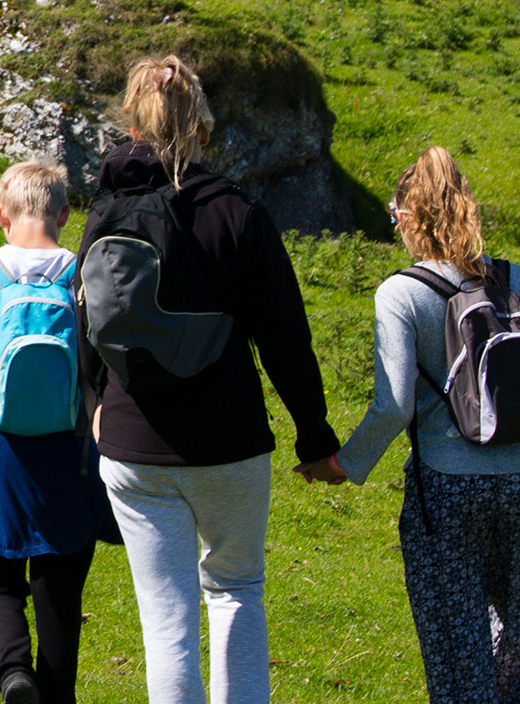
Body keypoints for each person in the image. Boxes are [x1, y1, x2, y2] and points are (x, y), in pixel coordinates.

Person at [81, 55, 345, 704]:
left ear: (132, 125)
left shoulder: (106, 212)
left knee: (165, 621)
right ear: (201, 126)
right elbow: (286, 337)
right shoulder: (237, 213)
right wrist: (315, 437)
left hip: (131, 445)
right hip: (228, 442)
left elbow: (84, 319)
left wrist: (94, 402)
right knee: (235, 592)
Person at [306, 148, 520, 704]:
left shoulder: (402, 293)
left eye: (396, 219)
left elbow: (394, 406)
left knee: (457, 651)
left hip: (447, 489)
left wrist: (346, 464)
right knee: (512, 640)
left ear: (410, 217)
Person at [0, 161, 123, 704]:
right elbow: (96, 381)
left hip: (0, 450)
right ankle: (57, 693)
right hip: (70, 452)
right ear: (65, 214)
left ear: (0, 214)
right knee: (61, 590)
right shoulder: (81, 273)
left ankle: (14, 670)